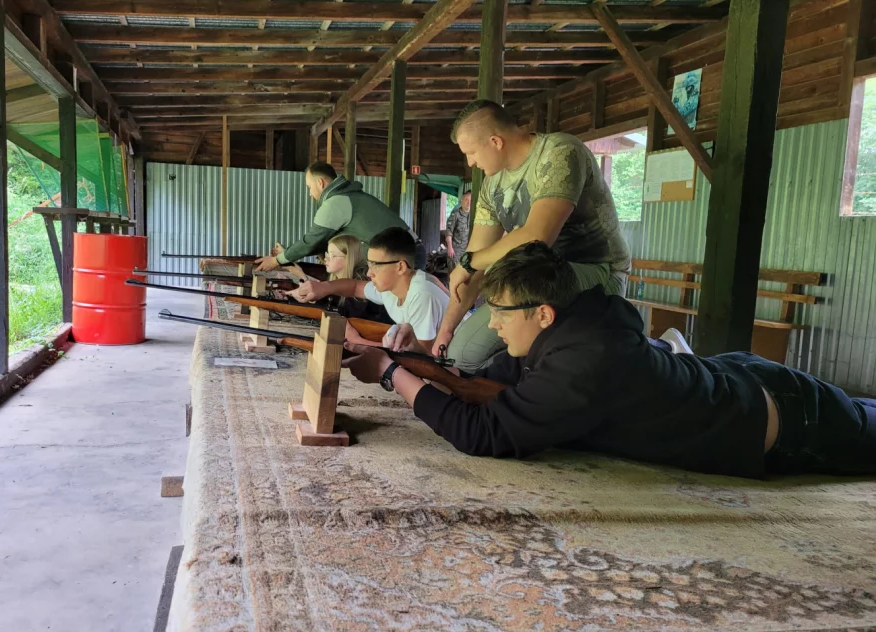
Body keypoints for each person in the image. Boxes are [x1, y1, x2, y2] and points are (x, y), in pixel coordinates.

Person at [342, 242, 876, 479]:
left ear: (544, 313)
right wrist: (412, 360)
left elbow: (483, 435)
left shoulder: (586, 359)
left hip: (788, 420)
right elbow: (485, 384)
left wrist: (392, 374)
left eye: (501, 312)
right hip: (738, 376)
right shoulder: (572, 326)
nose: (495, 324)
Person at [436, 100, 631, 372]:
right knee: (461, 356)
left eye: (470, 152)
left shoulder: (561, 151)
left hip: (597, 271)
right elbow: (474, 266)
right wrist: (446, 331)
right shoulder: (492, 186)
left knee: (479, 351)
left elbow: (537, 238)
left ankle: (654, 351)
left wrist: (469, 262)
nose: (470, 162)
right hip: (539, 280)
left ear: (495, 141)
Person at [288, 227, 449, 349]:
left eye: (376, 266)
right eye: (369, 264)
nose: (369, 273)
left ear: (400, 267)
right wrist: (323, 287)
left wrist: (359, 343)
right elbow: (355, 287)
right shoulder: (392, 288)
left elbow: (422, 357)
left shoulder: (421, 294)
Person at [254, 162, 427, 273]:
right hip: (407, 253)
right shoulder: (348, 197)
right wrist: (288, 254)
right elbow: (320, 243)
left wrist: (277, 260)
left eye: (309, 187)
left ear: (321, 183)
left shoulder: (335, 203)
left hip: (404, 257)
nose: (310, 193)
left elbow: (311, 242)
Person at [324, 234, 392, 324]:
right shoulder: (335, 279)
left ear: (348, 257)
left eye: (333, 255)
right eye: (327, 254)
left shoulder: (362, 281)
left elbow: (355, 321)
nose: (326, 259)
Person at [445, 191, 472, 260]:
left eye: (470, 200)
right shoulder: (455, 215)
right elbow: (448, 232)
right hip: (455, 251)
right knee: (454, 270)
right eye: (466, 200)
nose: (468, 202)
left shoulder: (472, 216)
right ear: (462, 200)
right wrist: (450, 247)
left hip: (467, 251)